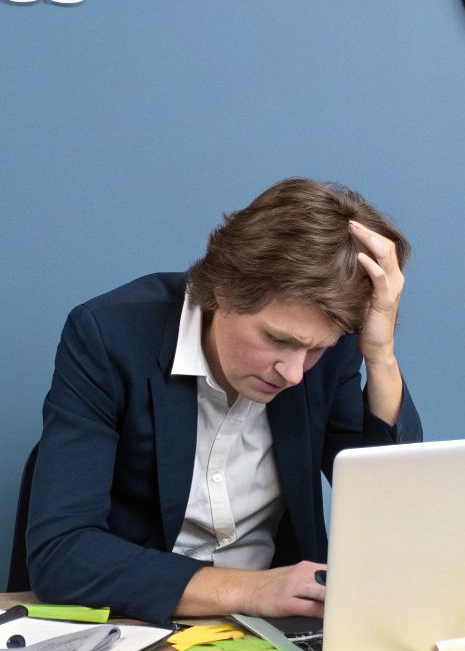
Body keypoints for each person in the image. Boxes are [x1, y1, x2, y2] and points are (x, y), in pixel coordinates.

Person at [23, 178, 422, 624]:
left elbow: (394, 515)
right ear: (223, 291)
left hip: (277, 631)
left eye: (316, 349)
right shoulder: (109, 336)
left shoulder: (329, 348)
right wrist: (255, 589)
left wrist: (381, 356)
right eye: (276, 340)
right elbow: (62, 552)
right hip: (137, 619)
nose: (294, 373)